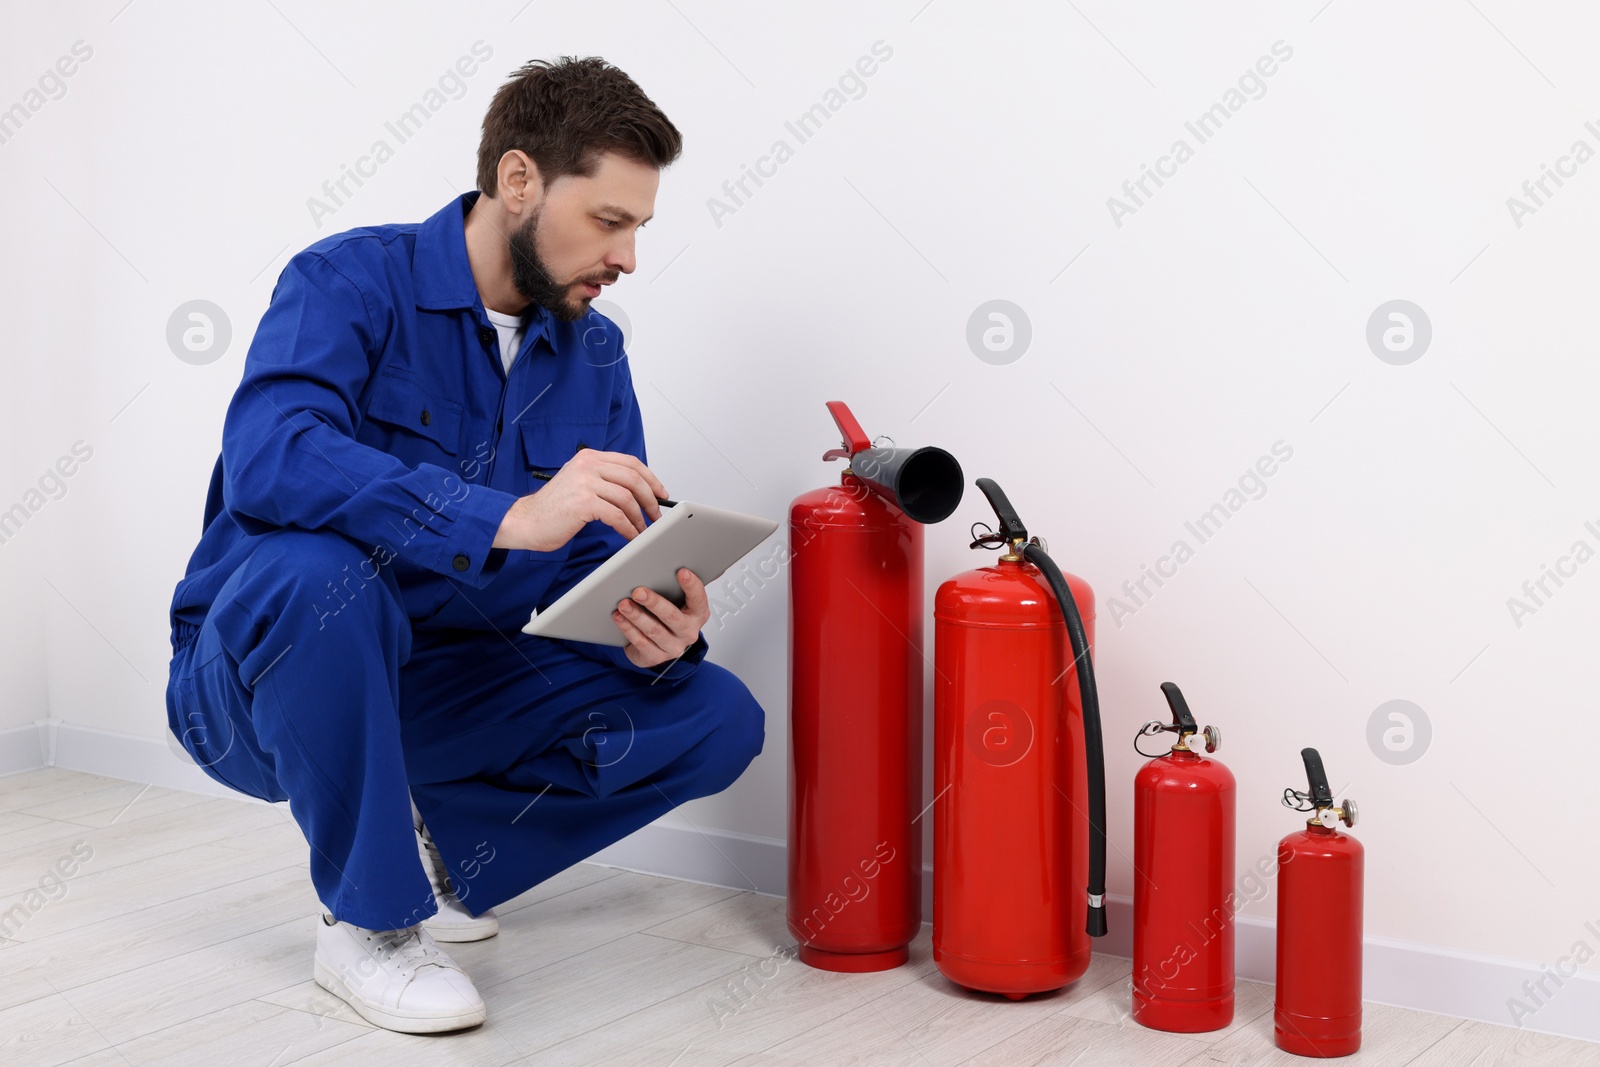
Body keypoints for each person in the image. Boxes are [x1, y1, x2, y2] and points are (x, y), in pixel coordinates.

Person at [163, 56, 765, 1034]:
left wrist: (653, 622)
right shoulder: (347, 280)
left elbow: (588, 560)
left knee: (710, 712)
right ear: (519, 180)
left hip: (437, 687)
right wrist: (497, 516)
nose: (627, 257)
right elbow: (270, 455)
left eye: (639, 228)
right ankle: (369, 923)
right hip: (252, 682)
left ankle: (435, 844)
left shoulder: (596, 353)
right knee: (324, 573)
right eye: (609, 221)